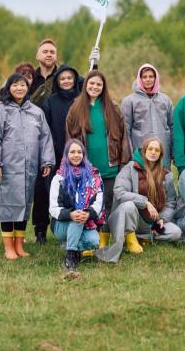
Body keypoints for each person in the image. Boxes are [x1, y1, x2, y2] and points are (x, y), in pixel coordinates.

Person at [0, 73, 55, 260]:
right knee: (8, 205)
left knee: (25, 204)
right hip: (7, 168)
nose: (19, 88)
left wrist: (46, 160)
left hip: (29, 168)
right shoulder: (1, 110)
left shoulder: (35, 112)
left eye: (23, 85)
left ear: (27, 88)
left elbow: (45, 138)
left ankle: (19, 244)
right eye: (15, 85)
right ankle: (8, 246)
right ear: (9, 88)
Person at [66, 70, 130, 249]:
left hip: (109, 167)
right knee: (87, 204)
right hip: (86, 169)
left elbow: (124, 137)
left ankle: (105, 240)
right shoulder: (75, 109)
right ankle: (87, 240)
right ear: (86, 85)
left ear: (103, 88)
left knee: (108, 205)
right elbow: (69, 139)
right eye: (91, 83)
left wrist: (123, 163)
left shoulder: (113, 108)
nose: (94, 87)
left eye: (98, 85)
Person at [97, 137, 183, 263]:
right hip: (129, 218)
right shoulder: (130, 168)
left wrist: (161, 219)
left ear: (160, 154)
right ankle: (130, 237)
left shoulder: (167, 175)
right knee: (129, 205)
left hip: (151, 223)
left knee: (176, 232)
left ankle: (145, 238)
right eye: (150, 149)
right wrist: (145, 202)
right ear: (144, 150)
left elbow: (171, 202)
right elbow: (119, 192)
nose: (153, 152)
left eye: (157, 150)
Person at [38, 64, 83, 244]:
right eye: (62, 78)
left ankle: (76, 227)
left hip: (79, 155)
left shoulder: (81, 100)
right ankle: (54, 228)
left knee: (78, 192)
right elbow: (45, 131)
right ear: (57, 81)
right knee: (57, 193)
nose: (66, 81)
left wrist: (94, 63)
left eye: (69, 78)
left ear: (75, 80)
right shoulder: (51, 101)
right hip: (57, 155)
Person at [49, 139, 105, 271]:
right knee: (77, 217)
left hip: (86, 222)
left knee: (94, 241)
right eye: (72, 152)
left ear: (84, 154)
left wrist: (88, 213)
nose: (76, 155)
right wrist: (70, 214)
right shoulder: (58, 178)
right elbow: (53, 208)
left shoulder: (94, 176)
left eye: (79, 152)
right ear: (66, 155)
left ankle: (70, 244)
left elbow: (99, 202)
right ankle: (71, 256)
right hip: (61, 224)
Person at [121, 63, 174, 167]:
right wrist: (129, 154)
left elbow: (172, 126)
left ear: (156, 78)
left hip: (162, 150)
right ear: (139, 79)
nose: (148, 79)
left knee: (162, 180)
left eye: (151, 76)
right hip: (140, 151)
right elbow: (126, 130)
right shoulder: (130, 101)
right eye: (144, 77)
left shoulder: (165, 100)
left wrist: (173, 152)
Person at [30, 39, 59, 107]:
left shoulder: (64, 78)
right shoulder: (29, 78)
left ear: (56, 56)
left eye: (52, 52)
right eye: (45, 52)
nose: (49, 55)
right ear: (37, 56)